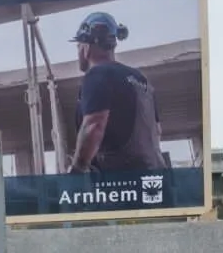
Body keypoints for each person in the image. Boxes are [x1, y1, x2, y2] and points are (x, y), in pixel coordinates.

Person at [66, 11, 168, 175]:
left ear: (86, 47)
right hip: (157, 178)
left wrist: (78, 168)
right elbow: (157, 130)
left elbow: (94, 125)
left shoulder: (97, 74)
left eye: (78, 46)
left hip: (123, 184)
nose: (78, 52)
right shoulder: (141, 79)